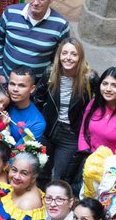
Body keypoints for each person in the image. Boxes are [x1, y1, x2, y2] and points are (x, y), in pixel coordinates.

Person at [35, 37, 98, 186]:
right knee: (41, 172)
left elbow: (105, 98)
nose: (68, 58)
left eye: (73, 54)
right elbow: (38, 97)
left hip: (71, 135)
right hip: (49, 131)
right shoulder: (50, 73)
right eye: (64, 53)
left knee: (60, 178)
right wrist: (41, 121)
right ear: (59, 55)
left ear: (80, 57)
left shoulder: (90, 78)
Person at [0, 0, 71, 84]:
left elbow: (59, 59)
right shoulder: (10, 13)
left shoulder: (61, 25)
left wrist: (45, 84)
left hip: (37, 87)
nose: (36, 2)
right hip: (6, 82)